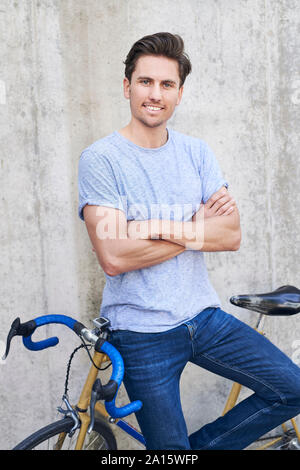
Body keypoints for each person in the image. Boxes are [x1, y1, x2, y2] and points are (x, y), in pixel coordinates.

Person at [78, 32, 300, 450]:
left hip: (204, 317)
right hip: (142, 332)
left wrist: (148, 228)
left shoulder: (197, 153)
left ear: (179, 93)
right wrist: (197, 229)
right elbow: (113, 256)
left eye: (167, 85)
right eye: (145, 82)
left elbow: (231, 235)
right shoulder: (101, 159)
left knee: (293, 388)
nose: (155, 94)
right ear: (127, 86)